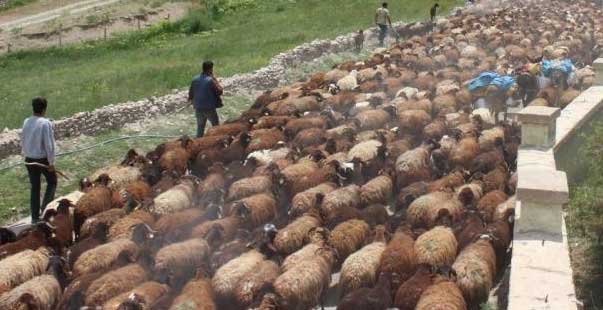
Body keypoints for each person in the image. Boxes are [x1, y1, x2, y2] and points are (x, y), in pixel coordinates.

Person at [21, 97, 57, 223]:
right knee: (52, 181)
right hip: (42, 160)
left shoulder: (26, 121)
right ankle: (45, 210)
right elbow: (49, 145)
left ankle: (35, 218)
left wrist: (26, 154)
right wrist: (51, 163)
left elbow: (23, 139)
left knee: (35, 188)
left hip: (29, 159)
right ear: (44, 109)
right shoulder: (45, 123)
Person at [188, 61, 224, 138]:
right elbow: (220, 91)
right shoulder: (210, 80)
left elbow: (191, 93)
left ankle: (198, 143)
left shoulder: (195, 79)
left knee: (200, 129)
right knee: (216, 127)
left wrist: (191, 100)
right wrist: (215, 79)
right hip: (209, 108)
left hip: (198, 108)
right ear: (210, 69)